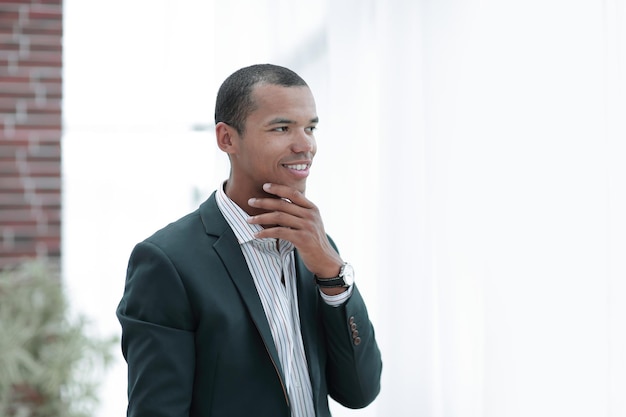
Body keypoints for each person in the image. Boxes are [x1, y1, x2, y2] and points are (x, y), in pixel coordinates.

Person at [116, 63, 382, 417]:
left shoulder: (316, 248)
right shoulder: (168, 262)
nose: (306, 144)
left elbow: (360, 391)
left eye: (310, 127)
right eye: (282, 127)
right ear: (227, 138)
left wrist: (333, 273)